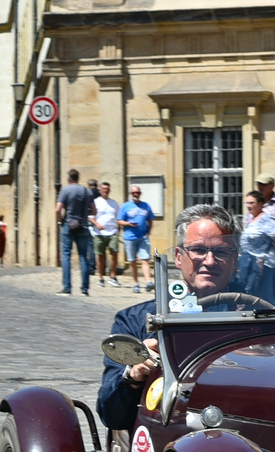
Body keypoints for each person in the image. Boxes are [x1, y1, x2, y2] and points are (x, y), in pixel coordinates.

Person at [97, 206, 240, 432]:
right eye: (198, 250)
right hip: (167, 439)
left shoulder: (266, 317)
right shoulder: (137, 321)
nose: (210, 261)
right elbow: (112, 415)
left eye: (221, 252)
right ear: (178, 257)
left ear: (235, 261)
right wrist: (134, 375)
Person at [55, 170, 96, 295]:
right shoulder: (87, 191)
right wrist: (83, 215)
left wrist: (60, 220)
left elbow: (57, 209)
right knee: (83, 256)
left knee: (66, 256)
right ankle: (85, 289)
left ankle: (67, 288)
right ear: (78, 178)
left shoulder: (65, 190)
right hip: (83, 226)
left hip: (68, 224)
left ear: (68, 179)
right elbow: (94, 211)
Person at [238, 191, 275, 303]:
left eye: (252, 203)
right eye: (247, 203)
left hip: (263, 264)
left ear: (261, 204)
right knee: (252, 293)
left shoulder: (266, 219)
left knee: (264, 295)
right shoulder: (251, 219)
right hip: (250, 263)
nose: (248, 206)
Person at [117, 185, 156, 294]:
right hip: (129, 237)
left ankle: (148, 282)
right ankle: (136, 283)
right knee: (132, 261)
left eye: (137, 192)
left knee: (145, 259)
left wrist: (149, 232)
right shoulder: (125, 206)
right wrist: (128, 223)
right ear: (131, 194)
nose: (136, 194)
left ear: (140, 193)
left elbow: (151, 219)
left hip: (143, 236)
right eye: (134, 193)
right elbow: (119, 220)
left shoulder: (145, 206)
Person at [91, 182, 121, 287]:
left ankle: (113, 276)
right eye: (104, 189)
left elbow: (118, 217)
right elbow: (90, 217)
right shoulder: (95, 202)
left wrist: (119, 228)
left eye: (107, 189)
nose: (106, 190)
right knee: (100, 256)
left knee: (115, 253)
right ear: (100, 190)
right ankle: (100, 277)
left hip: (112, 232)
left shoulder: (114, 203)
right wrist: (97, 224)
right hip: (99, 232)